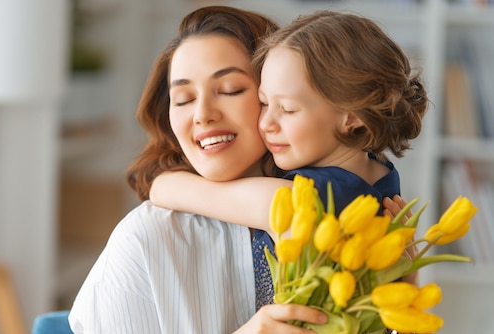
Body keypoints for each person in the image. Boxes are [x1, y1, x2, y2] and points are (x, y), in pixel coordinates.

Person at [69, 6, 408, 333]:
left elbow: (285, 206)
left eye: (231, 90)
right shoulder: (147, 239)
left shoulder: (333, 194)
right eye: (183, 99)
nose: (202, 114)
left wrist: (401, 299)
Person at [149, 10, 426, 294]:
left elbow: (166, 190)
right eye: (264, 103)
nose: (266, 123)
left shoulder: (298, 201)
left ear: (352, 115)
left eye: (288, 109)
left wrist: (159, 180)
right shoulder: (381, 172)